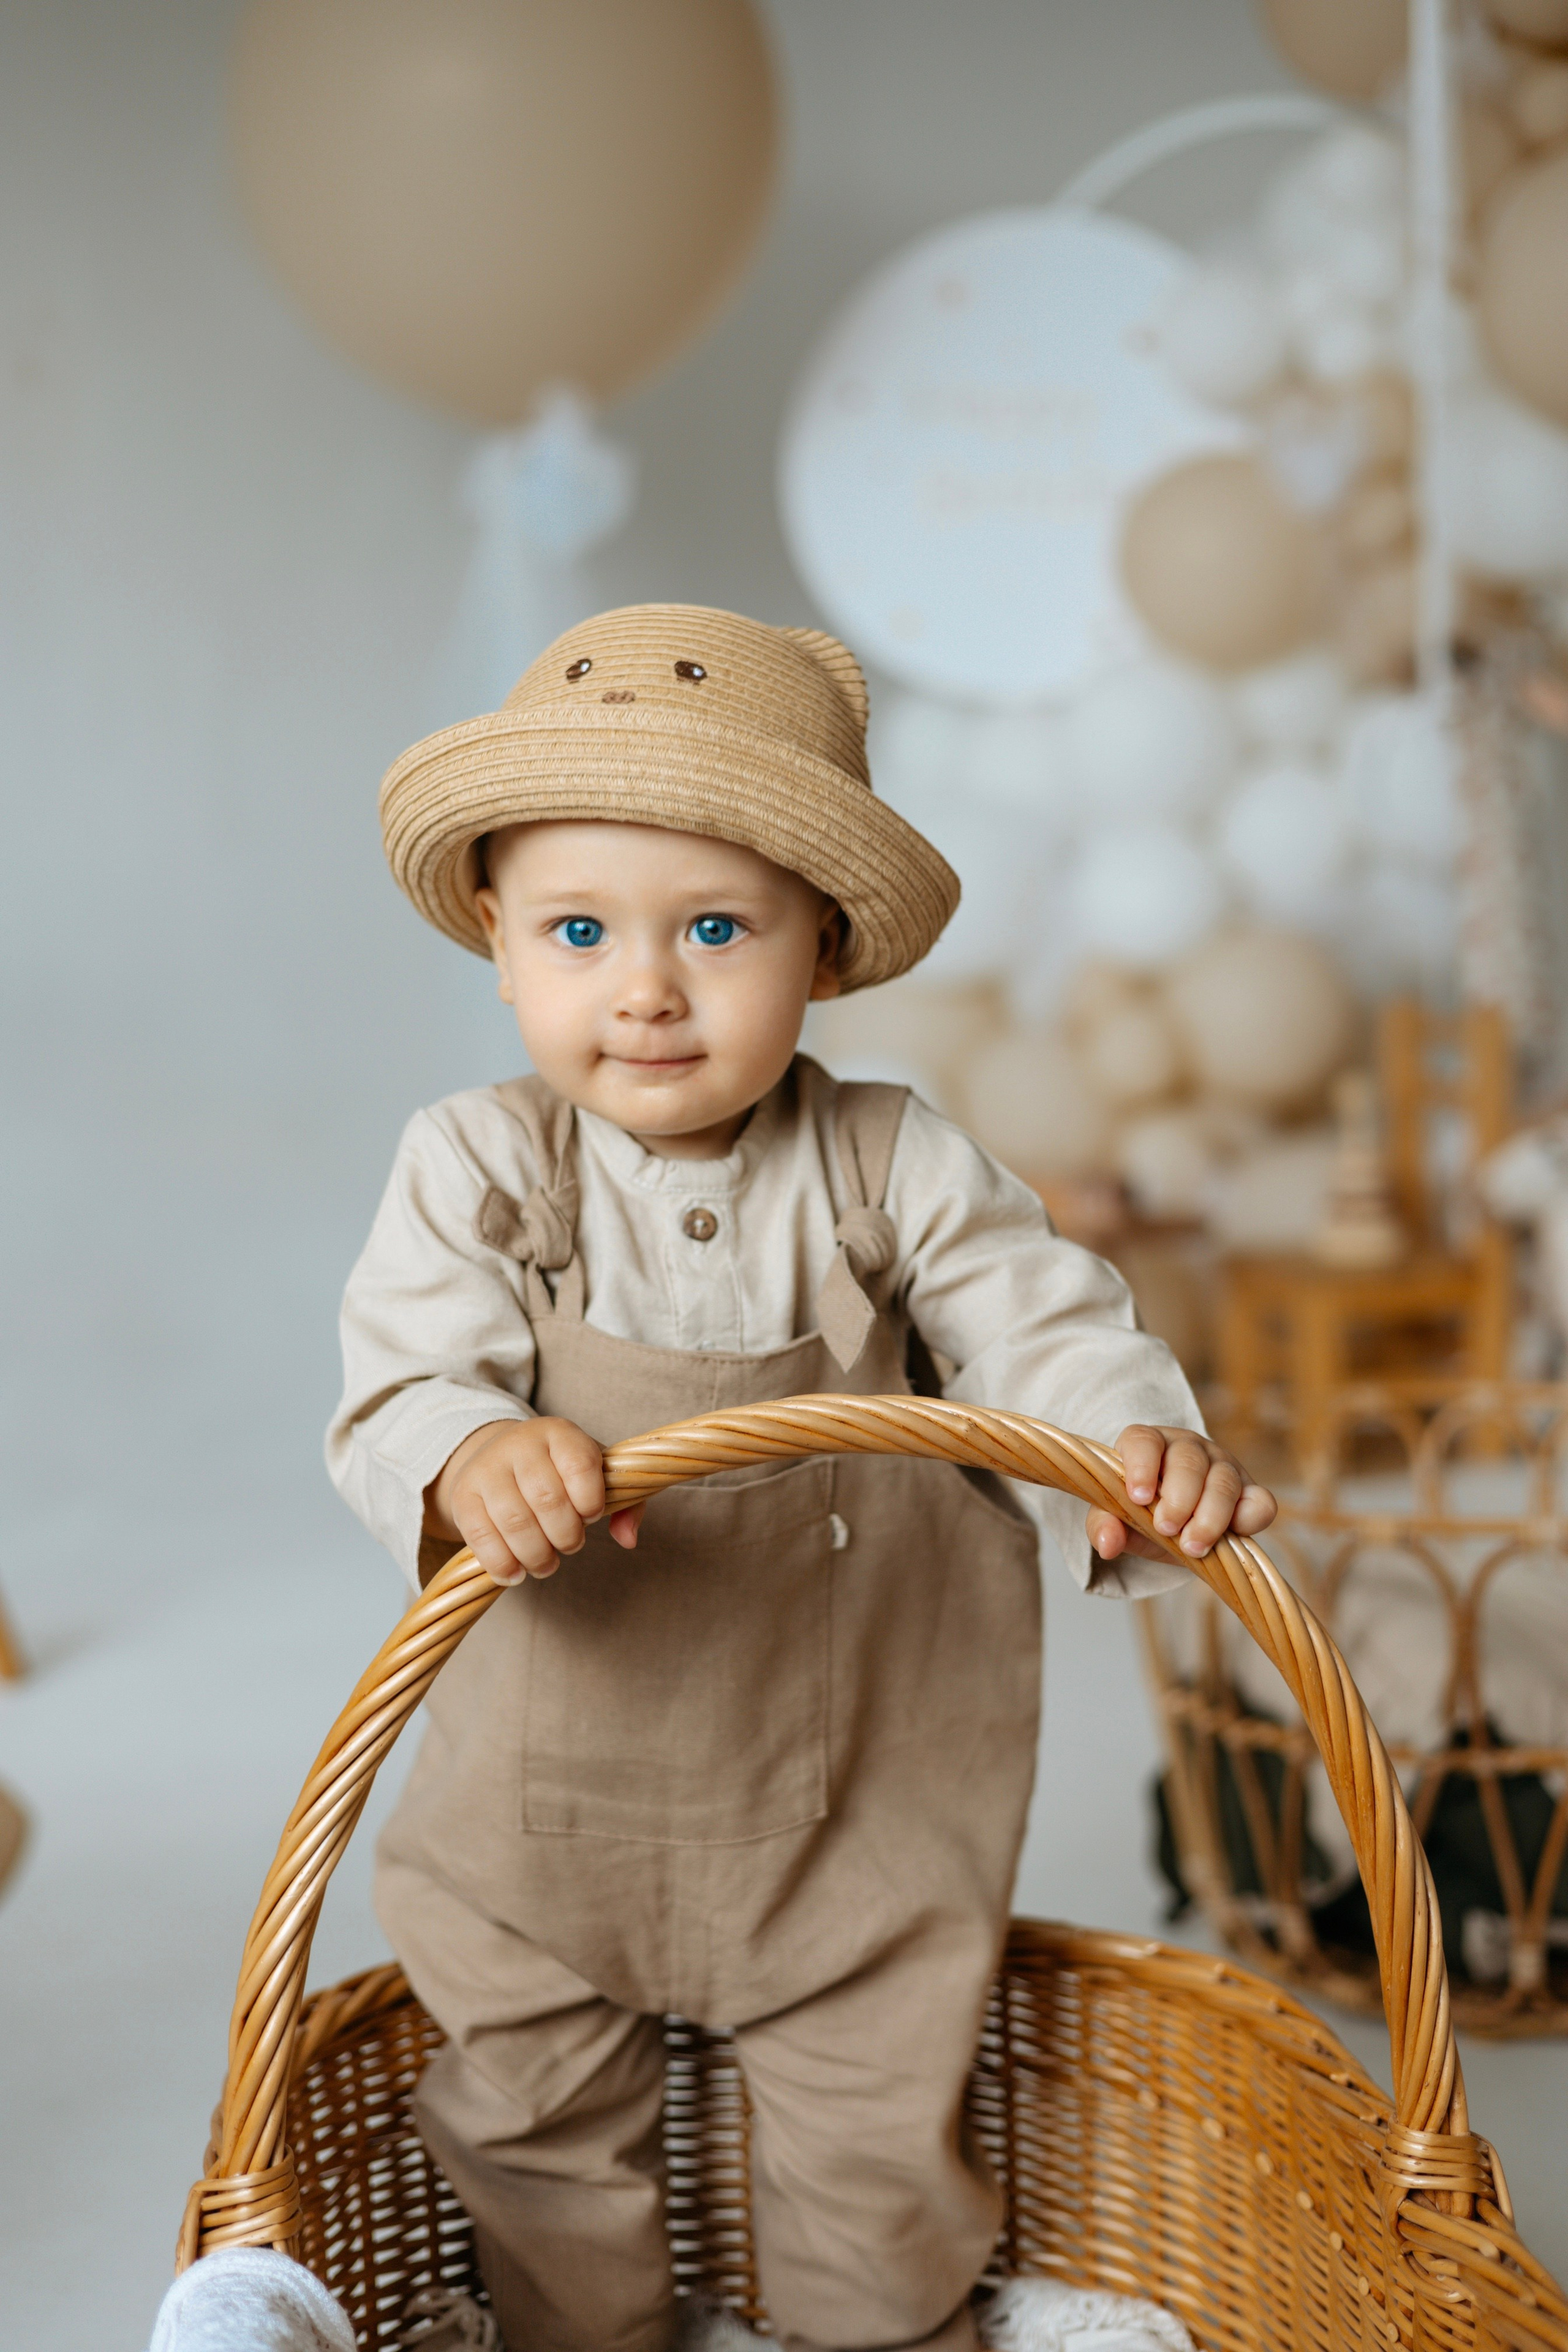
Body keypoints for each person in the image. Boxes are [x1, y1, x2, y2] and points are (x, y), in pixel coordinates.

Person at [328, 605, 1275, 2352]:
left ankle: (886, 2330)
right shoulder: (473, 1163)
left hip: (864, 1812)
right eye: (579, 930)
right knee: (532, 2129)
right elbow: (397, 1375)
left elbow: (1041, 1324)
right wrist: (469, 1450)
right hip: (549, 1821)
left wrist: (1119, 1442)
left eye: (715, 927)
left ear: (825, 948)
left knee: (874, 2148)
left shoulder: (896, 1161)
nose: (647, 986)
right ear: (495, 932)